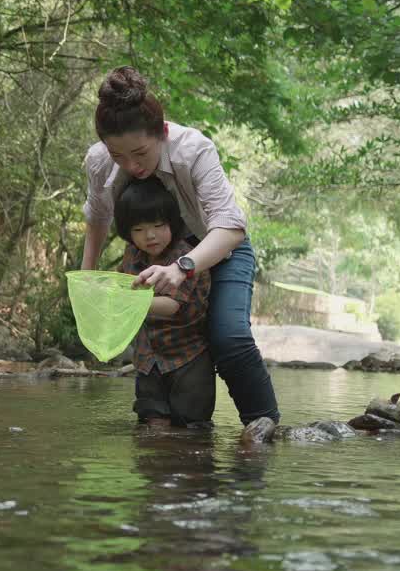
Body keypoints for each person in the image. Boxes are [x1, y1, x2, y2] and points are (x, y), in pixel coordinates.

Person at [80, 65, 279, 424]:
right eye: (119, 156)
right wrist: (86, 276)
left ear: (162, 132)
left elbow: (231, 227)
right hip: (153, 256)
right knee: (157, 340)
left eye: (140, 153)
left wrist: (182, 267)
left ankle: (263, 427)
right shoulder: (98, 160)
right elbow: (97, 217)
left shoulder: (194, 150)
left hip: (219, 250)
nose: (131, 165)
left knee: (229, 338)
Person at [115, 178, 214, 427]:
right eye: (138, 230)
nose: (150, 236)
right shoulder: (131, 256)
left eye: (158, 225)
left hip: (189, 357)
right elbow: (120, 286)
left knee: (192, 428)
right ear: (128, 233)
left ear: (172, 222)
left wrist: (128, 301)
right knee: (152, 424)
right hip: (148, 358)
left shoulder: (186, 256)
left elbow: (172, 306)